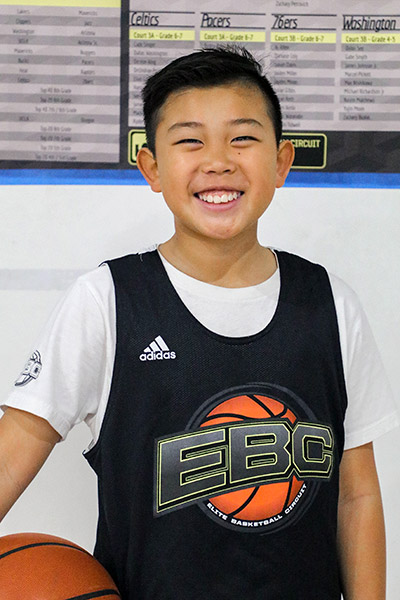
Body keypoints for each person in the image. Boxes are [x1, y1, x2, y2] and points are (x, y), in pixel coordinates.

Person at [0, 46, 398, 599]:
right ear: (152, 168)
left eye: (243, 138)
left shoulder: (330, 305)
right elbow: (15, 446)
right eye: (190, 141)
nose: (218, 161)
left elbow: (357, 497)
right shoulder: (106, 301)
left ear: (281, 162)